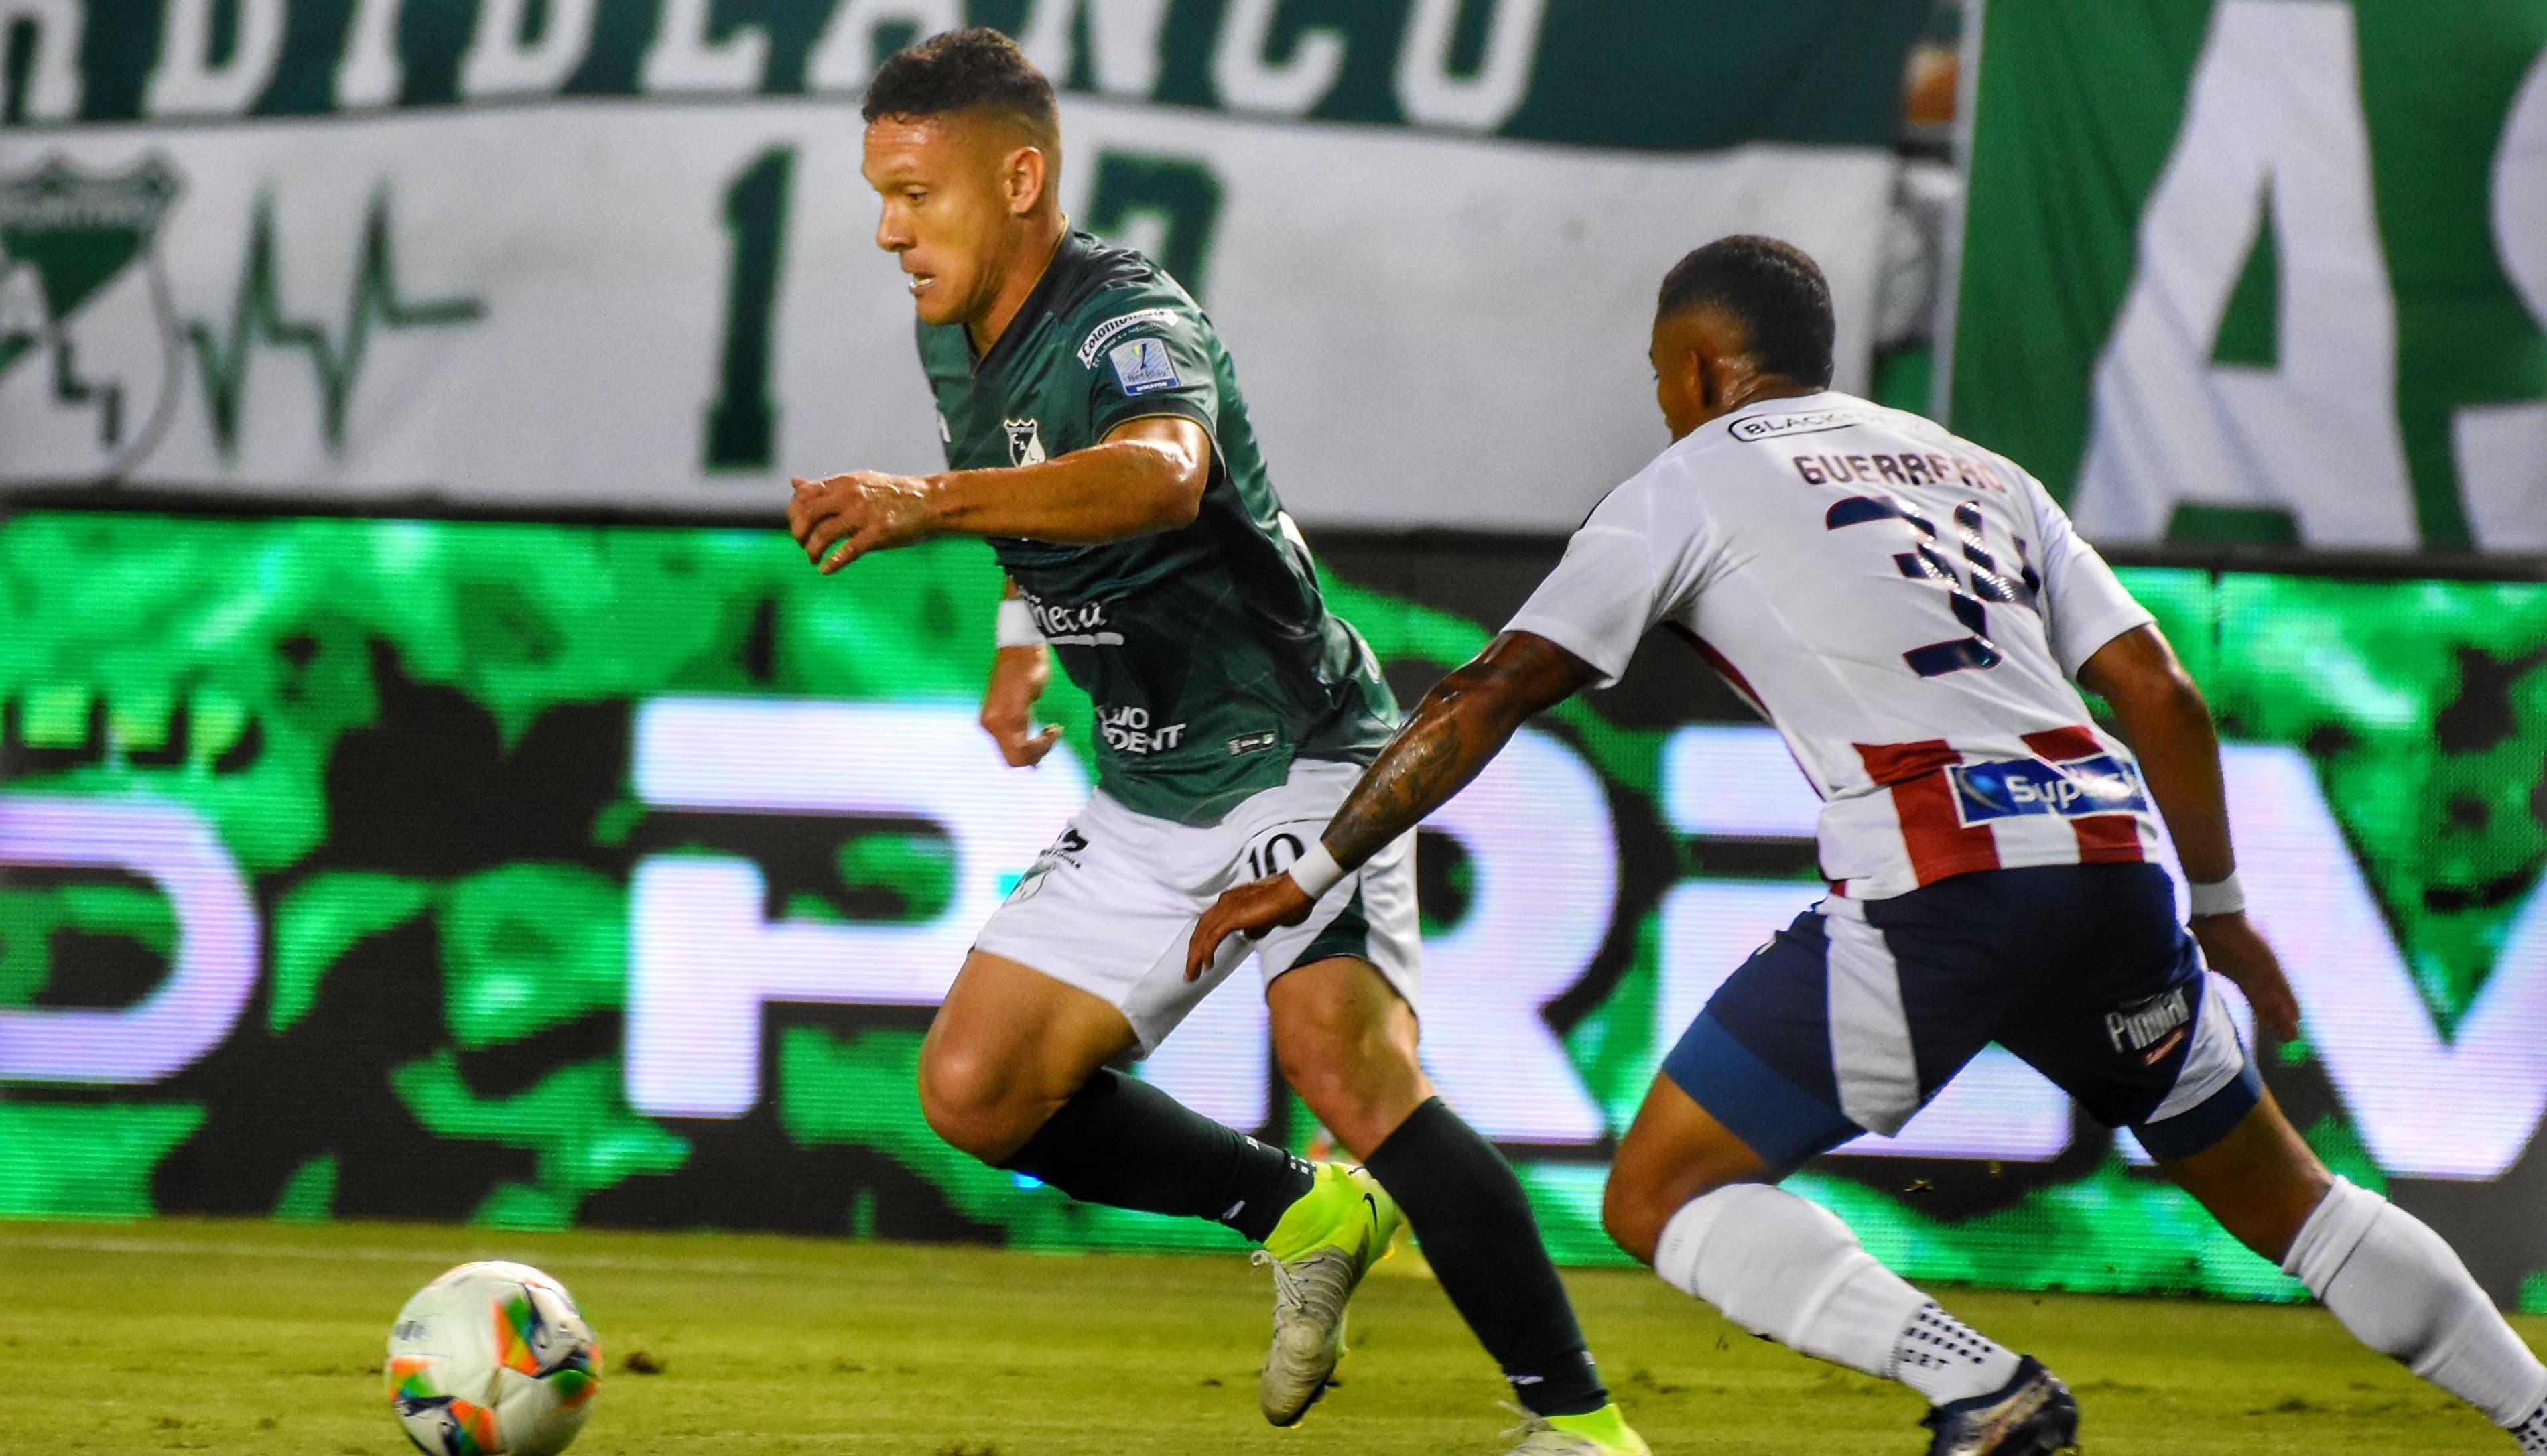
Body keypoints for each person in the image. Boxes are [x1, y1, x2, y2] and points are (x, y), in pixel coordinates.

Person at [1191, 234, 2547, 1455]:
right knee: (2296, 1202)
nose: (1661, 398)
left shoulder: (1690, 479)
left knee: (1661, 1190)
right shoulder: (1979, 473)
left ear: (1702, 365)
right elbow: (2159, 695)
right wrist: (2225, 909)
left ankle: (1979, 1381)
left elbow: (1482, 693)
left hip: (1943, 876)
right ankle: (2534, 1411)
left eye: (1663, 373)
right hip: (2112, 863)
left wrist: (1310, 868)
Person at [784, 28, 1645, 1455]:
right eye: (877, 193)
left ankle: (1581, 1424)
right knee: (973, 1088)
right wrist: (1016, 647)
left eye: (916, 195)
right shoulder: (953, 328)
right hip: (1145, 776)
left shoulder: (1126, 311)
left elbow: (1163, 474)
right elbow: (1026, 489)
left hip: (1297, 744)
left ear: (1018, 178)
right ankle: (1298, 1209)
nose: (888, 230)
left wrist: (923, 505)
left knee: (1343, 1061)